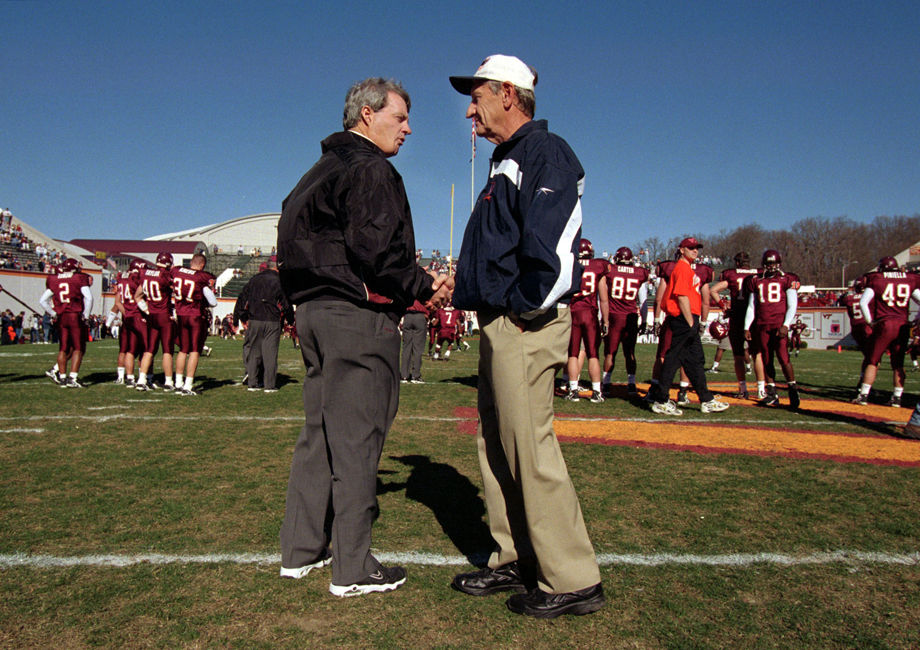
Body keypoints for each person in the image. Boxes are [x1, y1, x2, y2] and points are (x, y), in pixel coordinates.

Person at [276, 77, 452, 597]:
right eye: (400, 117)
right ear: (368, 114)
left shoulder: (316, 172)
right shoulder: (371, 167)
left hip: (313, 313)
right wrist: (424, 286)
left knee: (319, 436)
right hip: (354, 316)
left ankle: (301, 550)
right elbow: (377, 252)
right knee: (357, 439)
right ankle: (352, 565)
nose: (408, 128)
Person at [448, 54, 604, 618]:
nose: (470, 109)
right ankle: (513, 557)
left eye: (478, 96)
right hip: (502, 321)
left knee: (529, 449)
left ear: (508, 94)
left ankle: (573, 577)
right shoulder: (507, 157)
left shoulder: (544, 151)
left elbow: (556, 247)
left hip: (524, 323)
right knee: (495, 446)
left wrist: (523, 310)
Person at [648, 238, 728, 415]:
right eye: (690, 248)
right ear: (682, 250)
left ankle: (706, 399)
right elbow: (682, 296)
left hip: (687, 317)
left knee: (695, 360)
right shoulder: (682, 269)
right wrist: (690, 322)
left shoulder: (687, 269)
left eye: (696, 248)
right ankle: (661, 399)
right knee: (673, 358)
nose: (695, 251)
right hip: (683, 318)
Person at [851, 256, 920, 407]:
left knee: (873, 360)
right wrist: (916, 320)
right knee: (898, 364)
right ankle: (897, 398)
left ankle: (863, 395)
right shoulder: (908, 279)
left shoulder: (877, 279)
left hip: (885, 324)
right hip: (902, 325)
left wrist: (871, 322)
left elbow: (863, 303)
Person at [743, 249, 802, 408]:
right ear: (764, 264)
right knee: (767, 359)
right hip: (762, 325)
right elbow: (751, 306)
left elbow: (792, 305)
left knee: (784, 358)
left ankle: (792, 389)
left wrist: (786, 324)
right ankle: (772, 393)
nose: (772, 266)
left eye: (774, 263)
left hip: (778, 325)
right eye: (769, 263)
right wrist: (746, 327)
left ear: (779, 263)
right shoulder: (755, 280)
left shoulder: (787, 279)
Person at [232, 258, 291, 392]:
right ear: (276, 268)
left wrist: (241, 316)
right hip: (272, 320)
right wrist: (290, 319)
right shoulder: (279, 280)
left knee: (254, 352)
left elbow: (242, 298)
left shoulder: (254, 279)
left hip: (255, 318)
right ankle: (269, 385)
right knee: (270, 354)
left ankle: (252, 383)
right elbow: (286, 303)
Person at [708, 252, 761, 398]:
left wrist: (723, 306)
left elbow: (713, 290)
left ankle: (743, 390)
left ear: (737, 263)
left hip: (737, 317)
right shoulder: (758, 274)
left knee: (738, 356)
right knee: (757, 355)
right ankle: (762, 390)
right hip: (755, 318)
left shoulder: (731, 275)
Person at [564, 238, 609, 402]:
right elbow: (603, 298)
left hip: (573, 312)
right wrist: (606, 320)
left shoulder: (570, 263)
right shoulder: (598, 266)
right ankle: (597, 392)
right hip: (590, 313)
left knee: (573, 354)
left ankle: (573, 390)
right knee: (593, 354)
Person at [601, 246, 648, 397]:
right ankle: (632, 384)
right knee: (630, 353)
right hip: (630, 317)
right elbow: (643, 300)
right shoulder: (639, 273)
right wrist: (645, 320)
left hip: (614, 316)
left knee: (610, 353)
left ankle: (606, 383)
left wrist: (603, 318)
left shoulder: (611, 270)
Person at [39, 258, 93, 387]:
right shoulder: (78, 278)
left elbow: (42, 301)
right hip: (74, 315)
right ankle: (72, 378)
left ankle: (62, 377)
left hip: (62, 316)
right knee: (78, 348)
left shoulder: (55, 279)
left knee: (63, 348)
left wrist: (53, 313)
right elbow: (89, 298)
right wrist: (86, 315)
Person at [171, 253, 218, 395]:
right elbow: (213, 302)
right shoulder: (200, 277)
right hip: (195, 315)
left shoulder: (177, 271)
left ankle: (178, 382)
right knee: (194, 351)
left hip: (180, 314)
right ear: (202, 265)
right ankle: (188, 385)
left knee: (182, 350)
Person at [134, 252, 176, 391]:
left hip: (152, 315)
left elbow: (137, 296)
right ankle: (169, 381)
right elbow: (175, 289)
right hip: (164, 316)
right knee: (167, 351)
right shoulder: (165, 275)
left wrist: (146, 310)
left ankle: (141, 380)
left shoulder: (146, 274)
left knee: (149, 349)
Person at [400, 299, 428, 383]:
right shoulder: (423, 291)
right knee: (418, 349)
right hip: (419, 315)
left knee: (406, 348)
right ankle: (415, 376)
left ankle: (404, 375)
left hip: (408, 316)